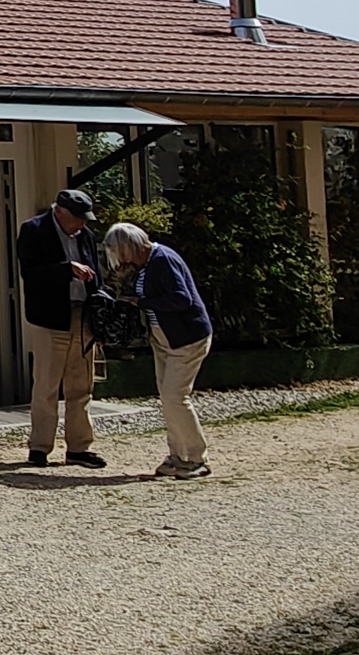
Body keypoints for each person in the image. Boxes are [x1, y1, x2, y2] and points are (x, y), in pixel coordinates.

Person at [102, 221, 214, 478]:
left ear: (128, 247)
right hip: (165, 339)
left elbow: (181, 298)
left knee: (175, 397)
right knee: (169, 398)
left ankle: (196, 458)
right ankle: (178, 455)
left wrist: (141, 302)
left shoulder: (162, 260)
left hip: (185, 338)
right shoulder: (148, 263)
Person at [11, 190, 106, 467]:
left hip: (83, 316)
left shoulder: (86, 235)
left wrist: (100, 312)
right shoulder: (33, 230)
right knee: (47, 385)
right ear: (60, 212)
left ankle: (79, 448)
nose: (82, 224)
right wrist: (67, 269)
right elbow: (31, 274)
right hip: (50, 319)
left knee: (81, 386)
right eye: (78, 218)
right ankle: (39, 447)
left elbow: (96, 276)